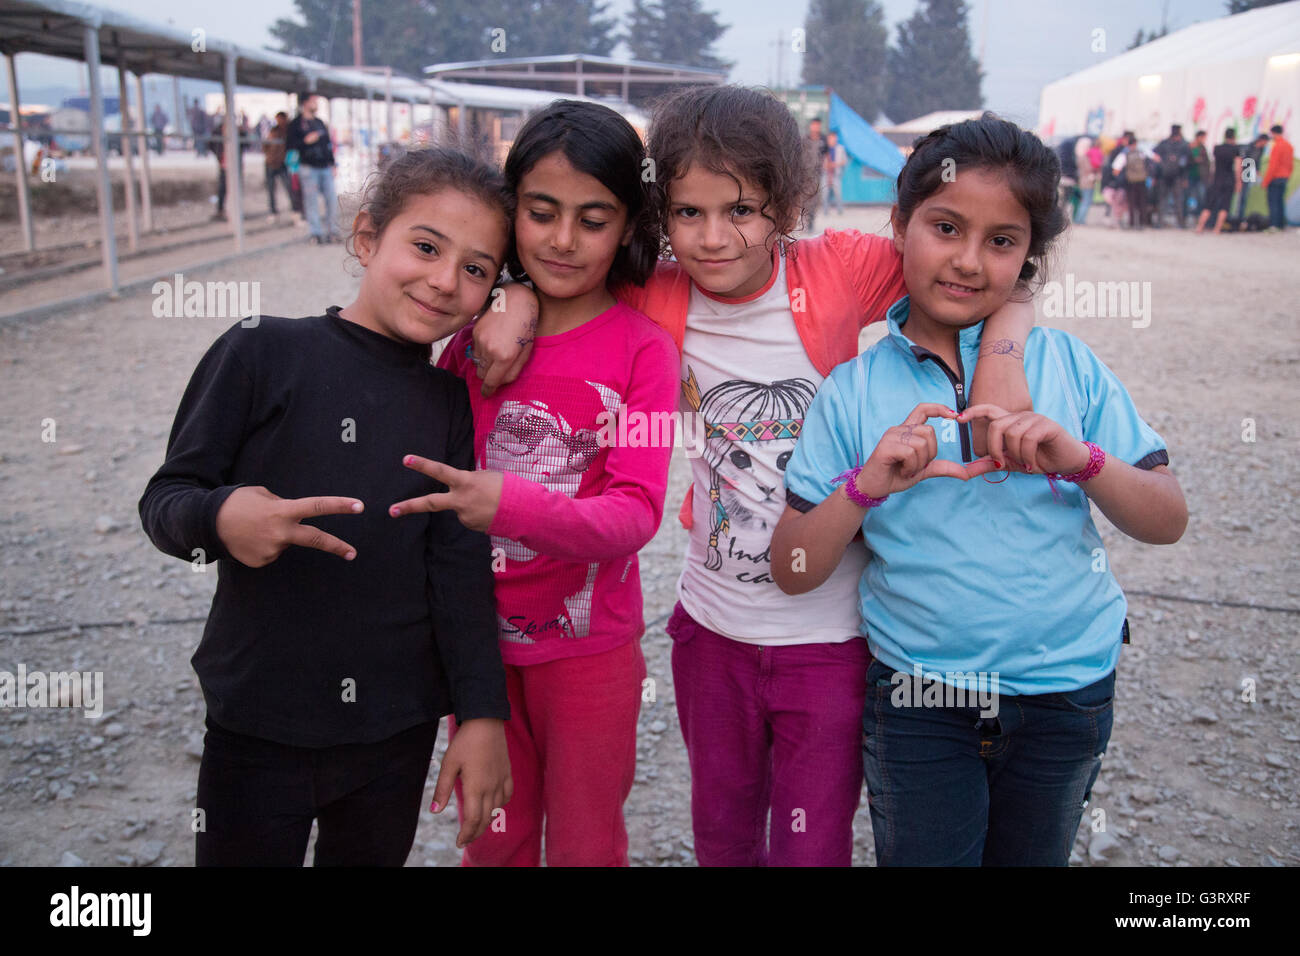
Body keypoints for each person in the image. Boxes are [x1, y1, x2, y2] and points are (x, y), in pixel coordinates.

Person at [468, 84, 1036, 867]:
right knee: (724, 837)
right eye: (688, 213)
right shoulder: (655, 287)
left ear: (786, 208)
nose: (712, 238)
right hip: (709, 631)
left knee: (810, 846)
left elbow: (981, 272)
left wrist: (1003, 362)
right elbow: (563, 269)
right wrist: (514, 296)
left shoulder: (837, 270)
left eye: (740, 210)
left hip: (829, 634)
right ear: (660, 213)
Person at [771, 112, 1188, 867]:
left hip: (1069, 692)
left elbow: (1167, 519)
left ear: (1030, 254)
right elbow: (793, 571)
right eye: (945, 226)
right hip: (920, 704)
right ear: (899, 226)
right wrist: (864, 489)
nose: (967, 261)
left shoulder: (1068, 366)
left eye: (1002, 241)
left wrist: (1081, 459)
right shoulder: (852, 390)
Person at [138, 148, 515, 865]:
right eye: (426, 246)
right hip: (259, 722)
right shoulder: (262, 351)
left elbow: (458, 566)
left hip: (394, 732)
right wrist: (221, 519)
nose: (444, 281)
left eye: (476, 269)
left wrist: (482, 713)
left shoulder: (446, 402)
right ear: (368, 236)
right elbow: (166, 500)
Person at [409, 101, 679, 867]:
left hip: (589, 655)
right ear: (511, 210)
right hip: (474, 651)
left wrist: (512, 504)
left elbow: (636, 512)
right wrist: (505, 295)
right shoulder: (468, 341)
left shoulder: (644, 352)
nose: (563, 240)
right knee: (493, 841)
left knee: (589, 844)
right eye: (541, 212)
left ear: (628, 226)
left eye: (593, 219)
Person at [287, 92, 340, 243]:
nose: (316, 103)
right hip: (308, 167)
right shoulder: (296, 124)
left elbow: (328, 145)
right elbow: (290, 146)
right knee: (311, 201)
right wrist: (305, 141)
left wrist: (332, 163)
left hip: (324, 166)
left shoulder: (319, 122)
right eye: (313, 101)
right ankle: (315, 233)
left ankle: (332, 232)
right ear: (305, 103)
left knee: (331, 199)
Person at [1196, 128, 1242, 234]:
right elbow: (1238, 167)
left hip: (1216, 180)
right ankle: (1217, 229)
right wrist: (1238, 182)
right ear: (1234, 137)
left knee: (1208, 205)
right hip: (1229, 180)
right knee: (1224, 206)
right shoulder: (1236, 149)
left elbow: (1213, 165)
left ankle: (1199, 227)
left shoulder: (1217, 148)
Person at [1152, 123, 1190, 227]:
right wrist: (1185, 178)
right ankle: (1181, 223)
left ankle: (1160, 223)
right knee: (1178, 201)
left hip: (1163, 176)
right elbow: (1186, 164)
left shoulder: (1163, 143)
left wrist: (1155, 175)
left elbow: (1155, 158)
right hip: (1177, 177)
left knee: (1162, 200)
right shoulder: (1183, 145)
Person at [1115, 133, 1149, 229]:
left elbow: (1116, 170)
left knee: (1132, 203)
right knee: (1142, 202)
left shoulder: (1124, 154)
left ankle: (1132, 223)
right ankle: (1143, 222)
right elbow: (1154, 159)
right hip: (1142, 180)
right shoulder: (1142, 152)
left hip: (1130, 181)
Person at [1262, 124, 1293, 231]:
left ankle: (1274, 225)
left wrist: (1265, 181)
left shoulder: (1277, 146)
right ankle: (1281, 224)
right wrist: (1288, 175)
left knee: (1273, 202)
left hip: (1275, 178)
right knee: (1280, 201)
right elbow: (1290, 165)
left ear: (1274, 133)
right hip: (1284, 177)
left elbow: (1273, 166)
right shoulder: (1289, 146)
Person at [262, 111, 292, 217]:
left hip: (282, 164)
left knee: (289, 187)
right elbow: (265, 146)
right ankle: (272, 210)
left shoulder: (288, 132)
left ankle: (294, 209)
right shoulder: (273, 131)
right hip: (270, 163)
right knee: (270, 188)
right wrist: (269, 156)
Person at [804, 116, 829, 232]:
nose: (816, 127)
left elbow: (827, 156)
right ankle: (806, 219)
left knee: (815, 199)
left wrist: (828, 171)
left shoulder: (823, 139)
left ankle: (811, 221)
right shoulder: (805, 139)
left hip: (817, 175)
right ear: (810, 126)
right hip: (805, 175)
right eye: (814, 125)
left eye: (818, 125)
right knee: (804, 199)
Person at [1238, 133, 1269, 218]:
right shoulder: (1248, 147)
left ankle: (1243, 215)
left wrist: (1258, 171)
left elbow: (1257, 161)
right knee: (1242, 195)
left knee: (1246, 195)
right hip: (1243, 172)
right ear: (1261, 140)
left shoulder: (1261, 149)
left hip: (1251, 172)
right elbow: (1242, 161)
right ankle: (1239, 216)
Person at [1073, 134, 1097, 225]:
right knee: (1086, 201)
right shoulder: (1084, 157)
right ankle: (1080, 220)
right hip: (1088, 181)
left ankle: (1079, 219)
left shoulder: (1079, 157)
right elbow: (1088, 169)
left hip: (1083, 181)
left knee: (1084, 201)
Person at [824, 129, 847, 216]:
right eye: (830, 138)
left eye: (834, 137)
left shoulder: (840, 148)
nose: (832, 139)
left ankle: (840, 211)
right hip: (826, 174)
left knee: (838, 193)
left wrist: (835, 164)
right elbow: (820, 161)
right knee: (824, 193)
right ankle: (825, 212)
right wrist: (825, 165)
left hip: (836, 174)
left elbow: (844, 161)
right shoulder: (824, 148)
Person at [1187, 129, 1210, 216]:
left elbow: (1207, 163)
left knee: (1201, 197)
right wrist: (1194, 160)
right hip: (1190, 176)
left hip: (1200, 177)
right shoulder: (1189, 147)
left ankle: (1199, 216)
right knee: (1186, 196)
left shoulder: (1203, 148)